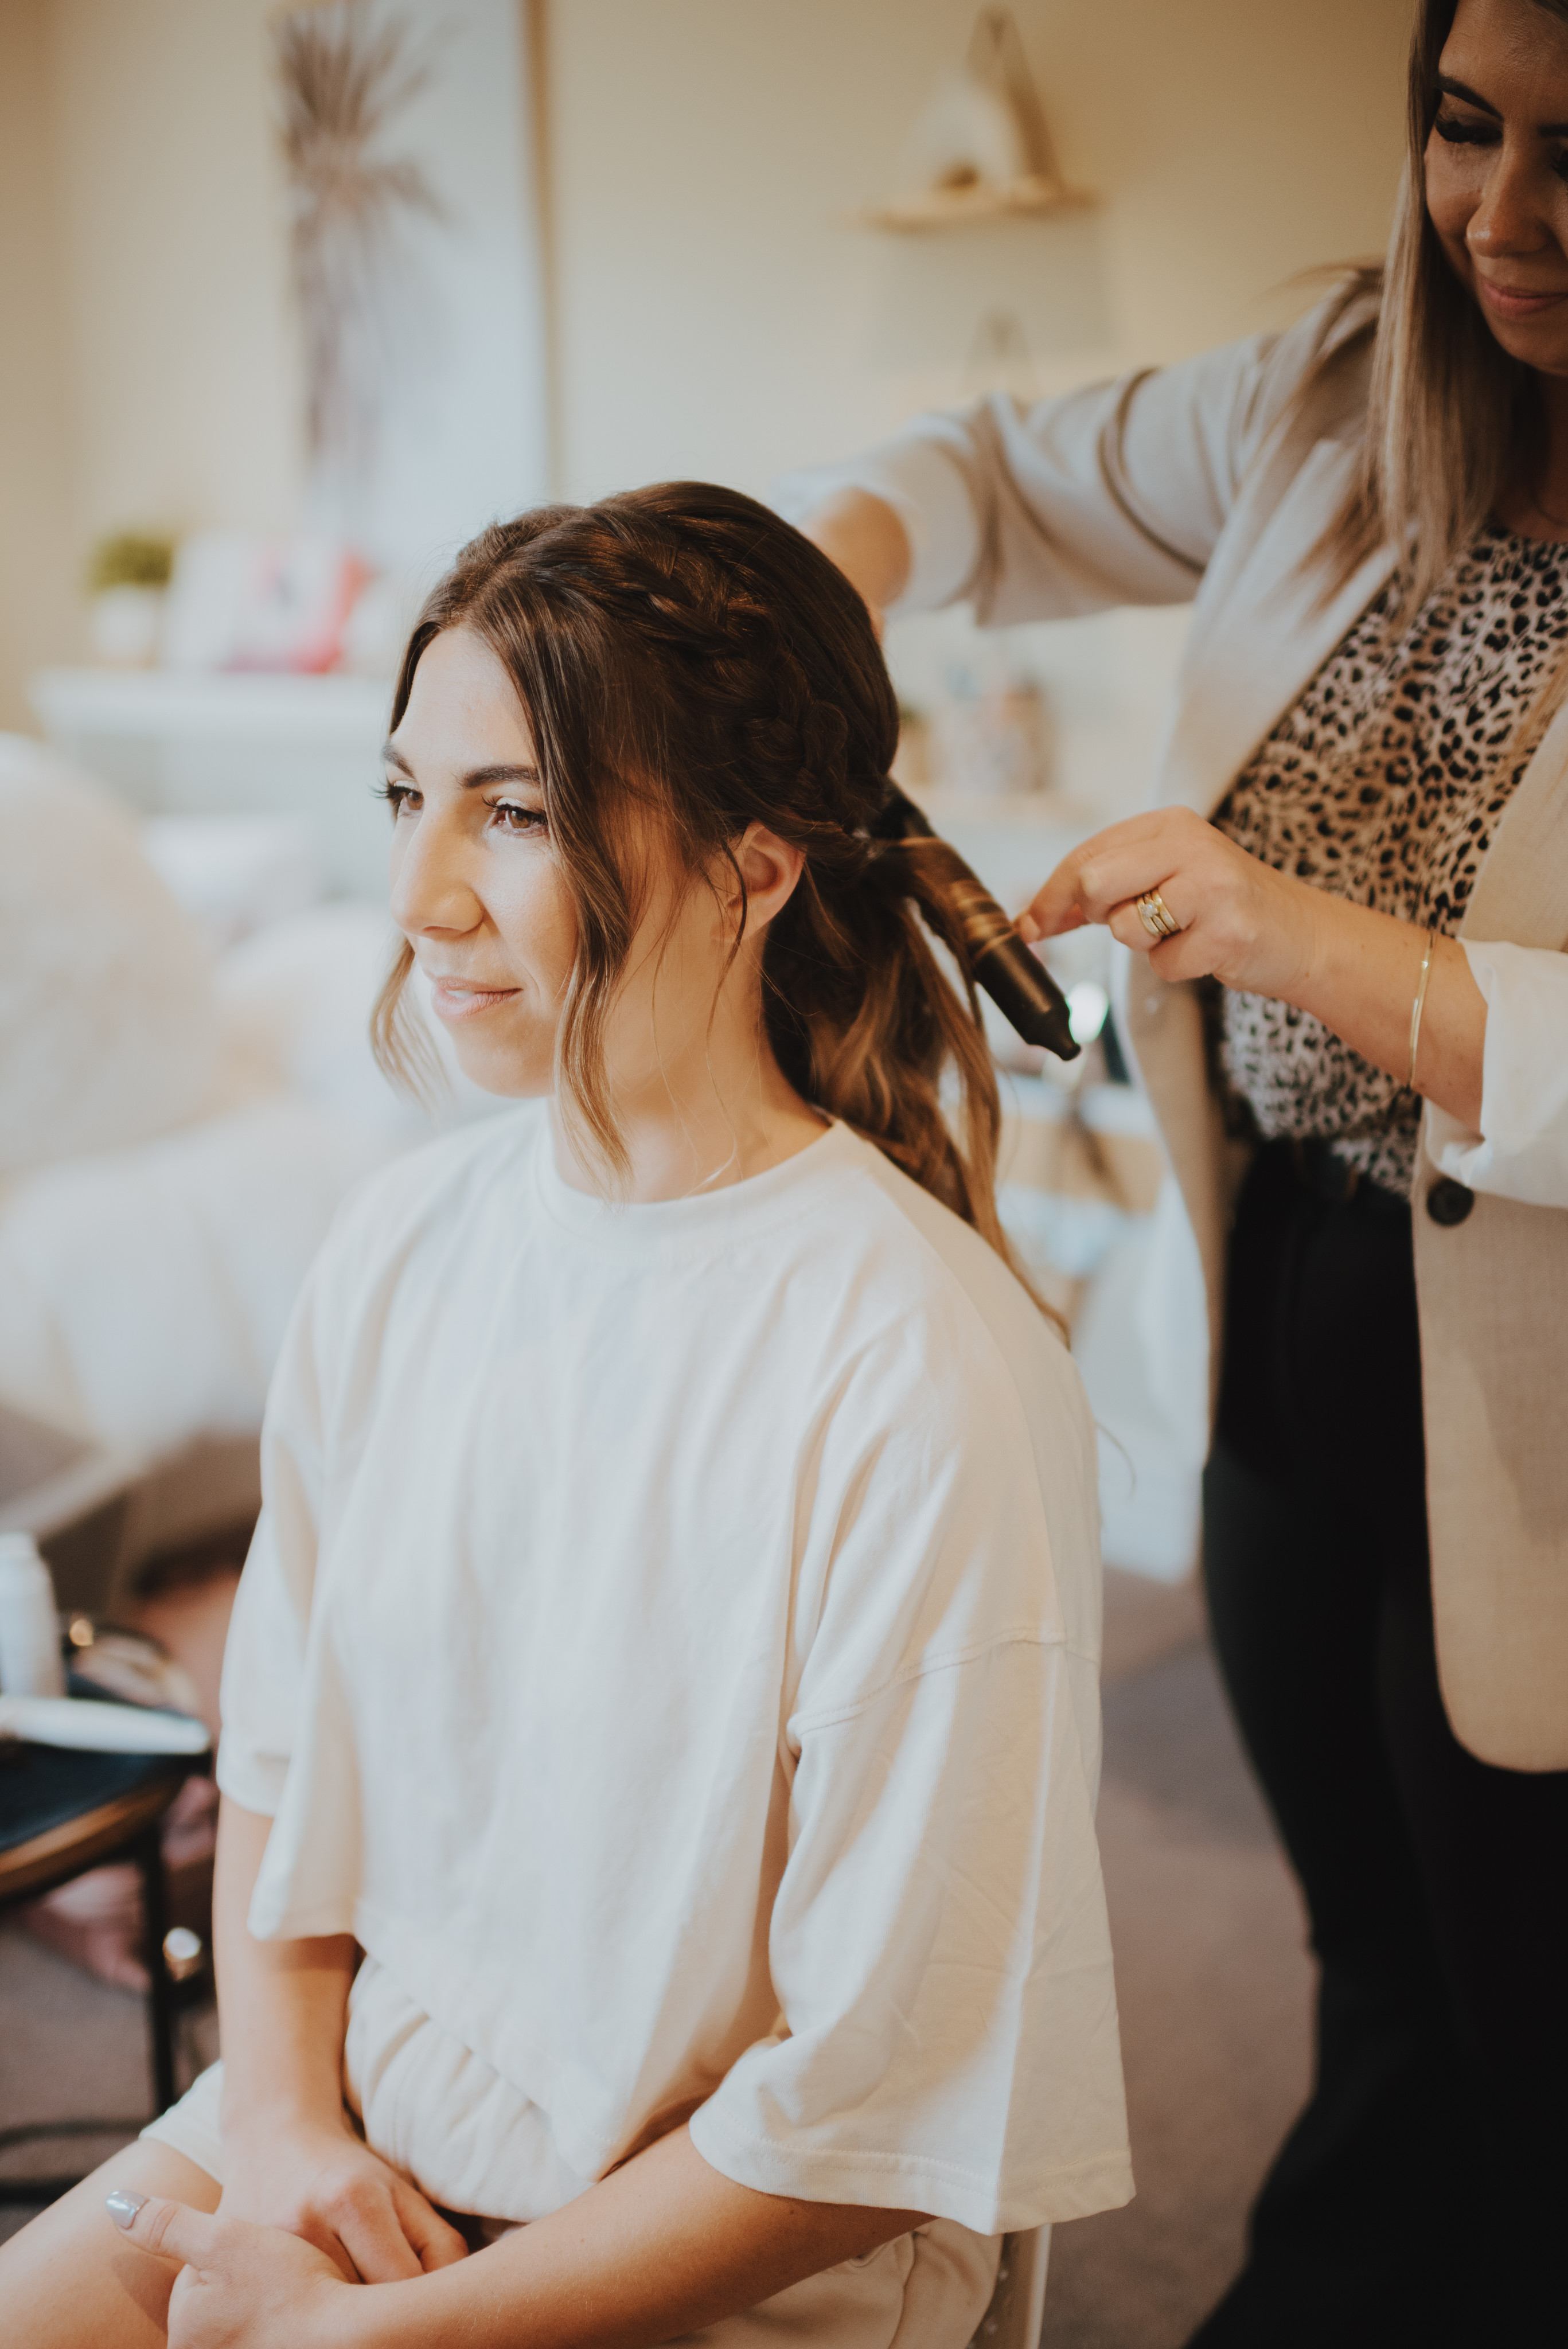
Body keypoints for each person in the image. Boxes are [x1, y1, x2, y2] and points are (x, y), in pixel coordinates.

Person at [0, 484, 1132, 2348]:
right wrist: (282, 2129)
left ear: (755, 867)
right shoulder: (392, 1248)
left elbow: (864, 2111)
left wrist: (382, 2331)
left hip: (704, 2247)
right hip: (354, 2120)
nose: (418, 895)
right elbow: (276, 1770)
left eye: (512, 812)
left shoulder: (921, 1371)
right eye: (405, 796)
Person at [785, 1, 1568, 2340]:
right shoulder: (1337, 391)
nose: (1503, 217)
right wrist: (795, 586)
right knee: (1371, 1940)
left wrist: (1317, 944)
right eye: (1462, 127)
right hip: (1290, 1316)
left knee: (1530, 1997)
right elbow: (992, 474)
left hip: (1535, 1385)